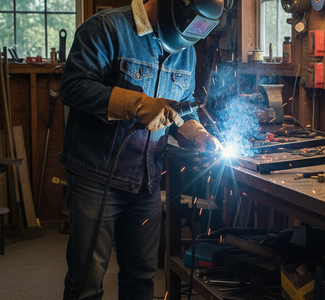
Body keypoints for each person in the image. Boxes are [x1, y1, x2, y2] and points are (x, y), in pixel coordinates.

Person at [58, 0, 224, 299]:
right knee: (87, 281)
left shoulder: (186, 51)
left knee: (142, 279)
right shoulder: (107, 28)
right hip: (97, 177)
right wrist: (136, 104)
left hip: (147, 179)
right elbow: (73, 86)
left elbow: (183, 108)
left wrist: (197, 134)